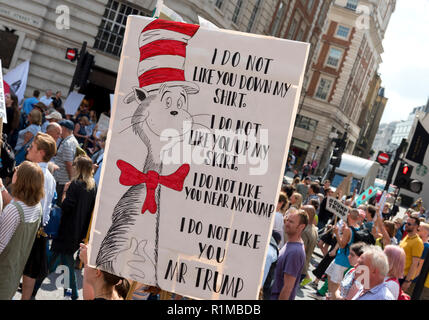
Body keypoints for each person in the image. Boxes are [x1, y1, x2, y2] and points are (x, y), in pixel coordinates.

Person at [34, 155, 97, 300]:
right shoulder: (92, 186)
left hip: (65, 231)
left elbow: (66, 207)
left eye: (75, 164)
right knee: (53, 263)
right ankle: (35, 287)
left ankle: (71, 295)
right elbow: (89, 213)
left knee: (57, 264)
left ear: (79, 168)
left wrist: (64, 193)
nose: (73, 167)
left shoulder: (75, 185)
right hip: (78, 233)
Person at [20, 133, 57, 300]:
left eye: (33, 147)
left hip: (25, 225)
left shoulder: (32, 172)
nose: (29, 148)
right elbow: (47, 207)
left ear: (41, 152)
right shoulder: (50, 177)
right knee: (30, 272)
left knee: (15, 267)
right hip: (39, 228)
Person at [0, 161, 44, 300]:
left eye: (18, 171)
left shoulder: (14, 210)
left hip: (3, 271)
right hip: (15, 270)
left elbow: (1, 244)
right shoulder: (37, 207)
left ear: (21, 179)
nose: (15, 171)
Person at [270, 209, 307, 300]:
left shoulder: (295, 252)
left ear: (301, 227)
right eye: (287, 220)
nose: (286, 223)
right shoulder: (291, 243)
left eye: (291, 222)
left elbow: (287, 288)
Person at [325, 209, 360, 299]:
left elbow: (342, 245)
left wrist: (337, 233)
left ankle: (332, 297)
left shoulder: (348, 230)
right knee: (329, 273)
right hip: (342, 258)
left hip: (342, 260)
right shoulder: (357, 227)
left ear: (348, 215)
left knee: (335, 284)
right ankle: (330, 296)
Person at [53, 120, 79, 205]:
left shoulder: (68, 143)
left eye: (60, 128)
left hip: (61, 180)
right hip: (61, 179)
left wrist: (71, 181)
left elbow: (69, 164)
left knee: (56, 205)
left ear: (64, 128)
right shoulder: (69, 140)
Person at [400, 213, 424, 294]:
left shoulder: (418, 242)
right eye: (406, 223)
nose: (406, 225)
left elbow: (415, 264)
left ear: (416, 226)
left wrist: (407, 281)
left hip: (403, 277)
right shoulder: (407, 236)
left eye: (409, 224)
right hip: (397, 273)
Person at [300, 205, 319, 287]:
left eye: (301, 212)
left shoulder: (305, 231)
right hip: (304, 266)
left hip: (299, 268)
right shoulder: (314, 229)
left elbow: (301, 250)